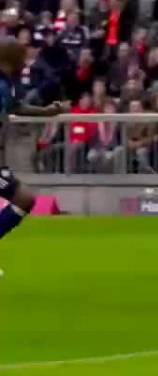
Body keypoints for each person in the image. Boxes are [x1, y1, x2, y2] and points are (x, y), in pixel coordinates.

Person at [0, 38, 70, 277]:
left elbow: (15, 107)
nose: (26, 61)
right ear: (9, 58)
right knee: (23, 198)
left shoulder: (7, 83)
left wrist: (46, 112)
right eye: (22, 56)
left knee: (25, 199)